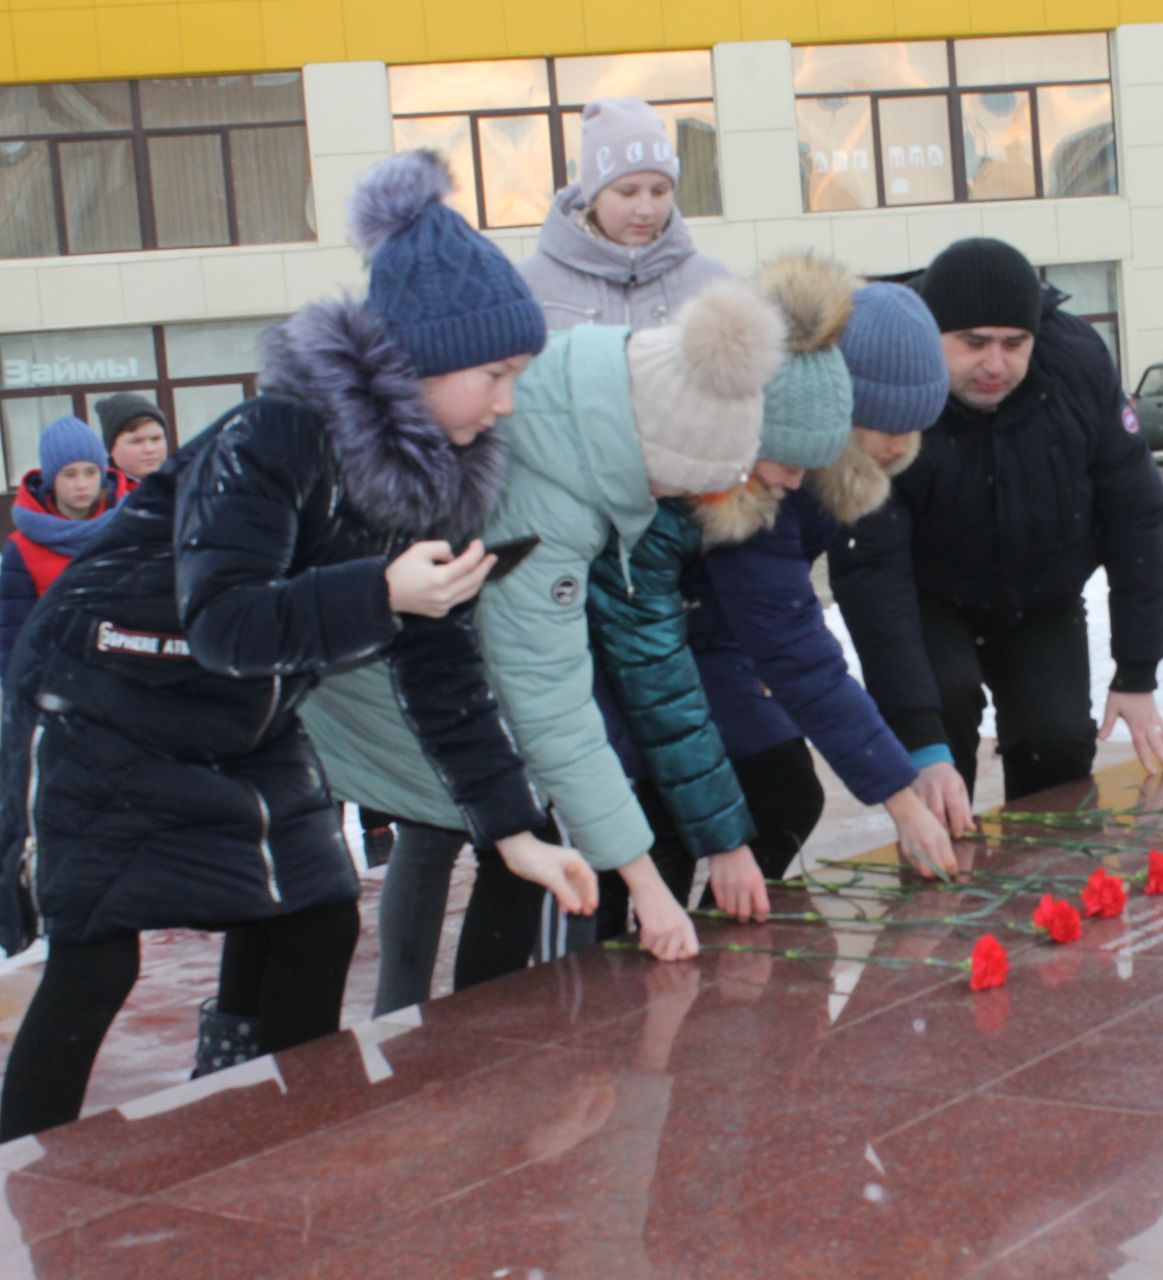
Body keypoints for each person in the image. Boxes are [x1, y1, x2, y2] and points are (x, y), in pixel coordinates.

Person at [0, 150, 596, 1140]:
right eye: (494, 375)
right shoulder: (270, 436)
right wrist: (377, 590)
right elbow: (226, 620)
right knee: (99, 953)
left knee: (316, 913)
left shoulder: (433, 484)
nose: (506, 402)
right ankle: (16, 1177)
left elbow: (442, 673)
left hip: (243, 717)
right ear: (417, 361)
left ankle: (274, 1136)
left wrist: (513, 825)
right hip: (104, 696)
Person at [299, 246, 791, 1013]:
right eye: (676, 487)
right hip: (335, 681)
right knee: (319, 910)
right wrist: (647, 886)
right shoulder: (553, 499)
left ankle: (413, 1036)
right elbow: (549, 698)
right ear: (649, 456)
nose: (507, 398)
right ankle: (427, 1048)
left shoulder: (583, 390)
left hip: (405, 669)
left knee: (430, 841)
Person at [830, 237, 1163, 829]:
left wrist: (1137, 670)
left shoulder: (1077, 363)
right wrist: (919, 737)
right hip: (928, 594)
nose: (995, 365)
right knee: (941, 736)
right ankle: (944, 879)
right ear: (932, 333)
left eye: (1014, 344)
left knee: (1059, 745)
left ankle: (1049, 897)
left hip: (1041, 592)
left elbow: (1135, 511)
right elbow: (871, 567)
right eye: (973, 344)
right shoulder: (889, 377)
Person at [581, 253, 876, 939]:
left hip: (665, 668)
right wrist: (723, 841)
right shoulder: (659, 502)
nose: (797, 484)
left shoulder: (716, 485)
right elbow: (653, 674)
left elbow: (776, 614)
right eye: (789, 463)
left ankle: (683, 988)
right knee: (628, 843)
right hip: (580, 686)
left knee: (766, 792)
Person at [666, 280, 960, 906]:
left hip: (710, 640)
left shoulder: (838, 469)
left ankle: (718, 959)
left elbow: (784, 621)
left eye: (917, 425)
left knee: (784, 791)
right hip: (650, 643)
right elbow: (793, 644)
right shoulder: (768, 472)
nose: (900, 445)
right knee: (666, 829)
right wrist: (902, 802)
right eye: (885, 423)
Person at [518, 97, 729, 331]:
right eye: (627, 192)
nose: (646, 210)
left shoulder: (714, 285)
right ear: (593, 194)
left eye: (660, 191)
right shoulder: (530, 287)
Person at [0, 418, 132, 674]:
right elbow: (11, 634)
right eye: (69, 474)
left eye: (90, 472)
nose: (81, 484)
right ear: (52, 478)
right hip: (56, 685)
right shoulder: (23, 548)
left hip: (124, 683)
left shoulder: (130, 529)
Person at [97, 393, 170, 481]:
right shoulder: (95, 492)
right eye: (136, 441)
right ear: (112, 449)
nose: (149, 449)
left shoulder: (185, 487)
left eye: (156, 439)